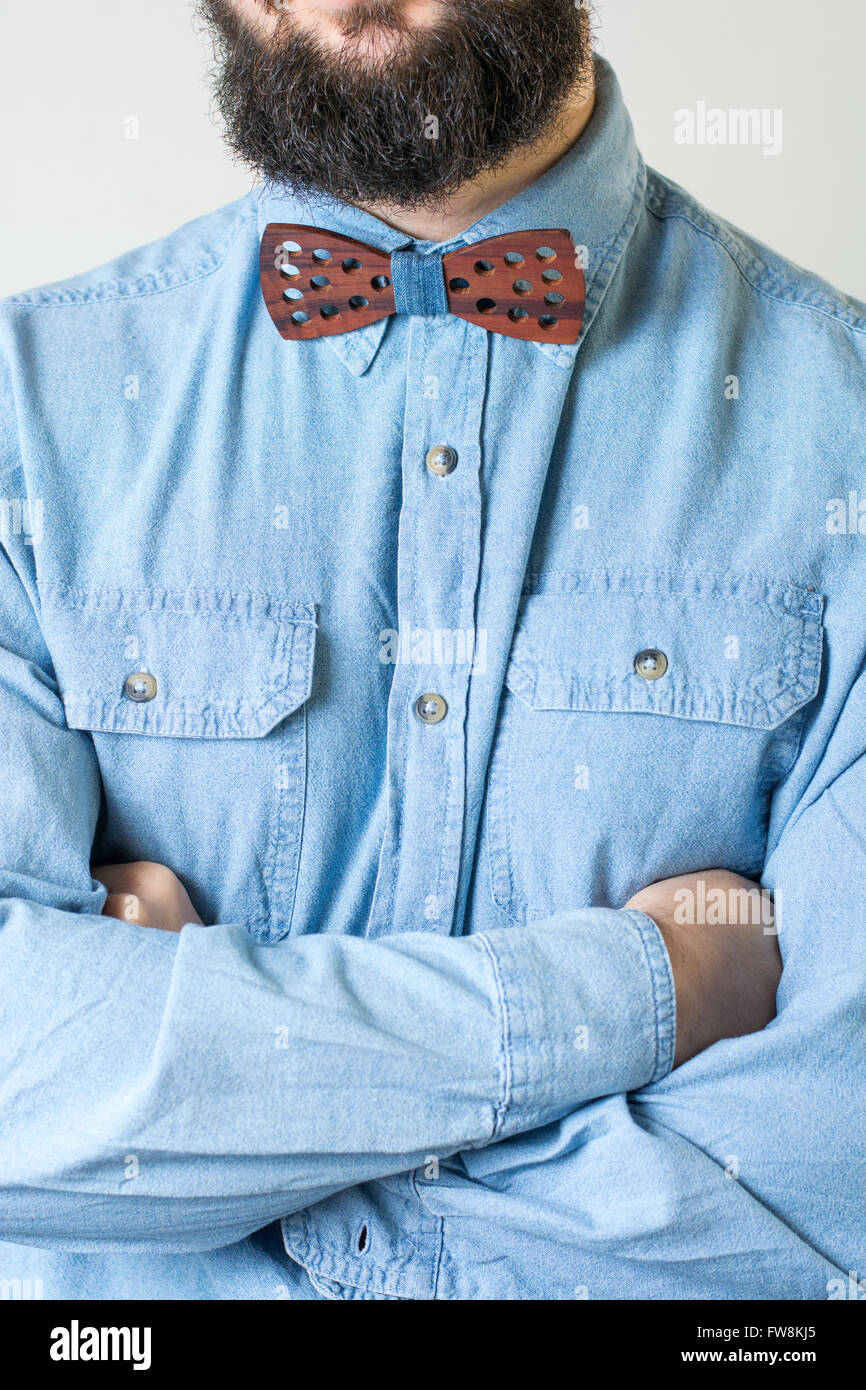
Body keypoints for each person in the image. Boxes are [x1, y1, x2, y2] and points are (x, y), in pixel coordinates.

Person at [0, 0, 862, 1301]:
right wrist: (642, 991)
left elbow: (827, 1155)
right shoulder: (29, 414)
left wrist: (196, 1093)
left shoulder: (841, 434)